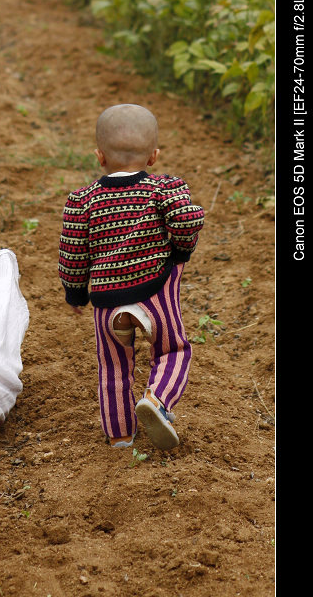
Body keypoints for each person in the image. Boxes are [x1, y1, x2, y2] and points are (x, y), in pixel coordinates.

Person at [58, 103, 205, 451]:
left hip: (108, 301)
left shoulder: (82, 200)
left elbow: (72, 252)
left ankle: (121, 436)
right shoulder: (164, 189)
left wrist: (76, 293)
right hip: (156, 293)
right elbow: (186, 220)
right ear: (154, 156)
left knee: (113, 368)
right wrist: (181, 251)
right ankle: (157, 401)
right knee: (173, 350)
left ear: (100, 156)